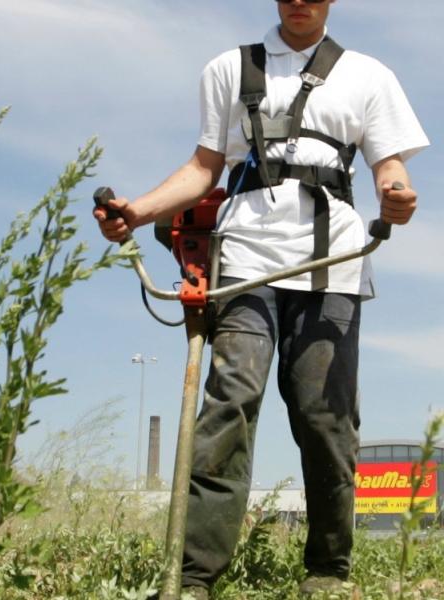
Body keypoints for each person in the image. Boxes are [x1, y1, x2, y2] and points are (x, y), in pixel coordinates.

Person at [93, 1, 428, 597]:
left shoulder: (368, 75)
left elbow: (389, 165)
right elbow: (203, 168)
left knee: (325, 417)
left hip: (331, 264)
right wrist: (137, 211)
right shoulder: (230, 68)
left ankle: (328, 571)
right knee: (229, 405)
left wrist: (396, 194)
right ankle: (195, 577)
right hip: (244, 260)